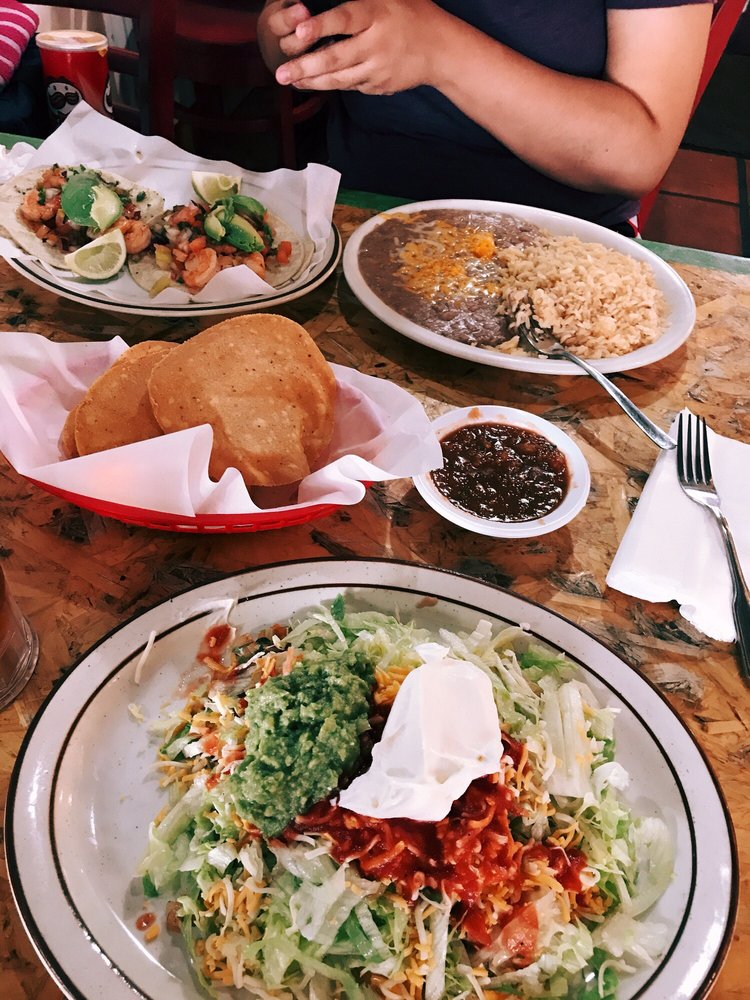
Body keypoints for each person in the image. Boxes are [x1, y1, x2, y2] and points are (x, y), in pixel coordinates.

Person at [257, 0, 713, 230]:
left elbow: (638, 155)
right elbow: (275, 31)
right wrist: (292, 37)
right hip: (351, 220)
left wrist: (439, 49)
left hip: (558, 250)